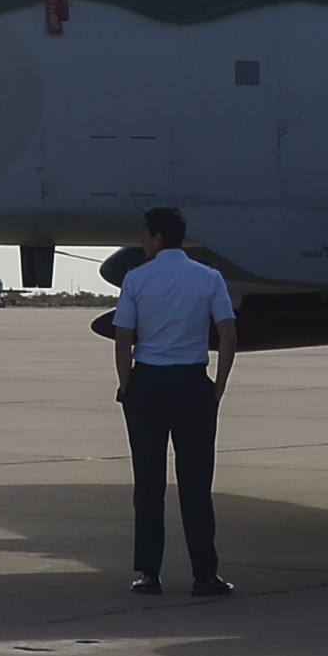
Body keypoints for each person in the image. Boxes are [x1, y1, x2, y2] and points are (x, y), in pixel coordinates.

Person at [111, 208, 239, 598]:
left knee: (148, 485)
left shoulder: (136, 278)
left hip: (148, 384)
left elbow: (123, 338)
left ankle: (149, 573)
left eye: (145, 236)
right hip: (192, 384)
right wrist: (217, 387)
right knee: (196, 485)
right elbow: (229, 336)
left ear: (157, 237)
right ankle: (204, 574)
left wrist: (126, 384)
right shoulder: (209, 278)